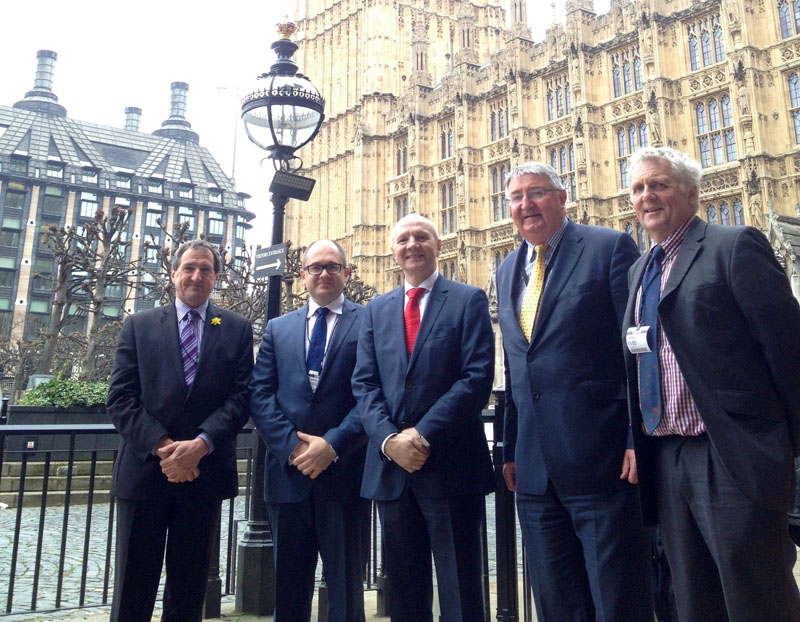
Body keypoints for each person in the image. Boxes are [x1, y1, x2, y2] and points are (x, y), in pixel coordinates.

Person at [624, 146, 800, 621]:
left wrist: (790, 456)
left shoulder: (734, 245)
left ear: (691, 194)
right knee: (693, 599)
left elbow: (788, 354)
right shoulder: (641, 270)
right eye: (638, 188)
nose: (647, 197)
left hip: (730, 453)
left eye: (658, 184)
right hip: (667, 456)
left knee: (756, 595)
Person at [497, 162, 653, 621]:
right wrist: (509, 447)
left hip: (601, 459)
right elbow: (516, 363)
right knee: (556, 602)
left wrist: (635, 435)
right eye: (516, 197)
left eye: (537, 193)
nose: (526, 204)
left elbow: (637, 348)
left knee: (616, 598)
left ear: (563, 198)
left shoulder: (608, 247)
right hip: (533, 470)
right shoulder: (506, 269)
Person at [352, 214, 495, 622]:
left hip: (451, 465)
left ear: (438, 245)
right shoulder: (376, 310)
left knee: (462, 585)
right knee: (402, 587)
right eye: (403, 239)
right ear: (393, 251)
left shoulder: (468, 299)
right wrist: (389, 441)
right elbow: (364, 384)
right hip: (392, 471)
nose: (412, 244)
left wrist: (423, 435)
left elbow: (476, 378)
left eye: (421, 237)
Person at [107, 239, 253, 622]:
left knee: (189, 590)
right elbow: (120, 398)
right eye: (189, 267)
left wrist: (201, 445)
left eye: (205, 269)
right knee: (132, 587)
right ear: (173, 274)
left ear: (217, 277)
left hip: (202, 477)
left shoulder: (236, 329)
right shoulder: (138, 326)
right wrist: (165, 447)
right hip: (144, 474)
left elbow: (240, 399)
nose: (196, 276)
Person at [249, 239, 369, 622]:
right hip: (289, 476)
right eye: (315, 267)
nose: (324, 273)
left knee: (346, 589)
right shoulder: (277, 328)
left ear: (346, 274)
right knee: (289, 590)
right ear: (302, 276)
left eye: (333, 266)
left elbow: (372, 394)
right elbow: (260, 394)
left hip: (345, 474)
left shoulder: (368, 321)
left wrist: (331, 445)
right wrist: (293, 448)